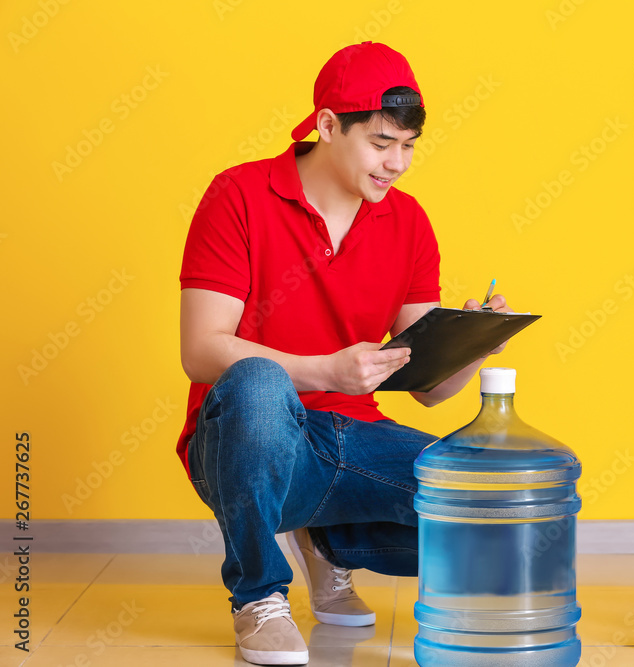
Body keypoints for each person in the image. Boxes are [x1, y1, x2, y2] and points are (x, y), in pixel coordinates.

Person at [176, 42, 509, 666]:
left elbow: (428, 386)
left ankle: (328, 542)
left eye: (408, 147)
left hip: (352, 438)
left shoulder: (408, 222)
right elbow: (201, 351)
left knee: (483, 505)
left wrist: (472, 339)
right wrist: (325, 370)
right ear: (329, 125)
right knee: (256, 382)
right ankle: (257, 596)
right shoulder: (239, 195)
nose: (398, 164)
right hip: (246, 440)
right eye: (382, 143)